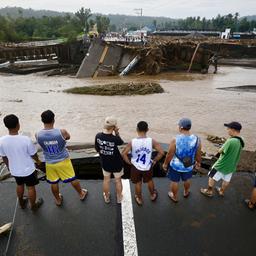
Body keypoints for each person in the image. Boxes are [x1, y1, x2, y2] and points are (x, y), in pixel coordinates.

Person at [36, 110, 87, 206]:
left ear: (42, 120)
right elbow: (68, 137)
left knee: (54, 182)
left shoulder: (38, 134)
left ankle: (58, 199)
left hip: (49, 162)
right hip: (63, 160)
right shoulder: (61, 132)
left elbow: (40, 143)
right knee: (72, 178)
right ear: (53, 119)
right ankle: (81, 193)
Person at [0, 114, 43, 211]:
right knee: (31, 187)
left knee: (19, 185)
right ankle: (33, 206)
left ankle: (21, 202)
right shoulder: (25, 139)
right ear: (18, 125)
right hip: (28, 170)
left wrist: (9, 167)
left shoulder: (1, 141)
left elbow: (4, 157)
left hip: (15, 170)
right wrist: (38, 161)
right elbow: (33, 154)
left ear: (6, 126)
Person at [122, 121, 164, 206]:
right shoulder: (151, 141)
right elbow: (161, 153)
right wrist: (155, 160)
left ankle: (139, 198)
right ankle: (152, 195)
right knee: (149, 181)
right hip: (148, 166)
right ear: (147, 129)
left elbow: (123, 154)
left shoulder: (132, 142)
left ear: (137, 129)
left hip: (136, 166)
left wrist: (129, 163)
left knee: (138, 183)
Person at [200, 121, 244, 197]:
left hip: (221, 164)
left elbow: (221, 151)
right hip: (232, 165)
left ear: (233, 130)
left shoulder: (230, 141)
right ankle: (221, 191)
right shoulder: (242, 140)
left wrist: (221, 148)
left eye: (228, 128)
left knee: (212, 176)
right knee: (226, 179)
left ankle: (209, 191)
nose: (227, 130)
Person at [162, 118, 201, 203]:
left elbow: (170, 154)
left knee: (174, 181)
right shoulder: (197, 139)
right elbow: (198, 153)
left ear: (181, 127)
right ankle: (186, 192)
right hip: (189, 164)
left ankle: (174, 196)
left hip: (176, 165)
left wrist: (165, 164)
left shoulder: (175, 139)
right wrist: (198, 162)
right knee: (187, 179)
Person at [95, 117, 124, 204]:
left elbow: (97, 149)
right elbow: (121, 142)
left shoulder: (98, 136)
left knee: (106, 180)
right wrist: (117, 132)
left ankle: (107, 197)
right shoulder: (115, 138)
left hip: (105, 163)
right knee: (118, 180)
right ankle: (119, 198)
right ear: (114, 127)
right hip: (117, 163)